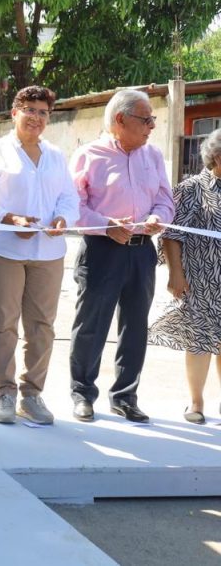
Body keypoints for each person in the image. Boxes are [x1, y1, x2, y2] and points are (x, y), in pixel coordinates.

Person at [0, 86, 79, 425]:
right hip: (3, 250)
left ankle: (32, 394)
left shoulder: (55, 155)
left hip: (48, 252)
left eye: (43, 112)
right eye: (30, 110)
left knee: (42, 326)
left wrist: (63, 218)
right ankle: (5, 392)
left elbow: (69, 198)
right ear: (14, 113)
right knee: (3, 323)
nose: (36, 117)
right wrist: (8, 218)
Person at [69, 89, 174, 423]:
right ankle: (82, 393)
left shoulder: (152, 155)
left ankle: (125, 397)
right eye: (146, 119)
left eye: (152, 119)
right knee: (91, 325)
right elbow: (71, 206)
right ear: (120, 119)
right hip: (101, 250)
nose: (152, 126)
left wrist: (159, 217)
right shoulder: (89, 155)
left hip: (142, 251)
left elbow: (165, 199)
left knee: (135, 326)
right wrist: (105, 226)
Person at [148, 128, 221, 424]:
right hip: (201, 281)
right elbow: (172, 235)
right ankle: (196, 402)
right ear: (217, 156)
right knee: (200, 340)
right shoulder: (192, 188)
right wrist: (175, 274)